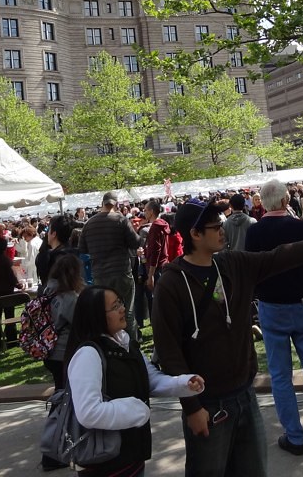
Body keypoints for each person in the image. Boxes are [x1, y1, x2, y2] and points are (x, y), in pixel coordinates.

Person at [151, 196, 303, 476]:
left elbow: (283, 254)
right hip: (207, 404)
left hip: (245, 395)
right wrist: (192, 407)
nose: (222, 229)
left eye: (221, 223)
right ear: (194, 234)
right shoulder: (172, 283)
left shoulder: (232, 264)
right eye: (214, 226)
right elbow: (169, 350)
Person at [65, 286, 204, 477]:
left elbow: (151, 380)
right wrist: (137, 410)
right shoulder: (88, 354)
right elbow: (88, 412)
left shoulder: (125, 343)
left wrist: (184, 383)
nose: (122, 309)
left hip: (131, 455)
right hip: (104, 464)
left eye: (120, 303)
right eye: (114, 307)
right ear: (97, 315)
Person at [244, 179, 303, 453]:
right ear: (284, 201)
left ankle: (294, 436)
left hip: (271, 307)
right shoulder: (300, 227)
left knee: (280, 374)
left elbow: (251, 272)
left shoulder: (254, 233)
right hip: (302, 304)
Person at [79, 192, 140, 337]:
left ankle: (111, 344)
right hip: (121, 272)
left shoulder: (89, 224)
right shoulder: (121, 220)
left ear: (102, 203)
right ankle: (132, 347)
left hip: (100, 275)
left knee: (106, 313)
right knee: (127, 311)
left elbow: (82, 249)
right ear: (116, 204)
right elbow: (136, 242)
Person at [41, 253, 85, 391]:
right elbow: (81, 324)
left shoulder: (47, 291)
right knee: (66, 393)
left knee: (60, 389)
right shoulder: (69, 298)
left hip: (48, 349)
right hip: (64, 352)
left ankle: (58, 411)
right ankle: (58, 412)